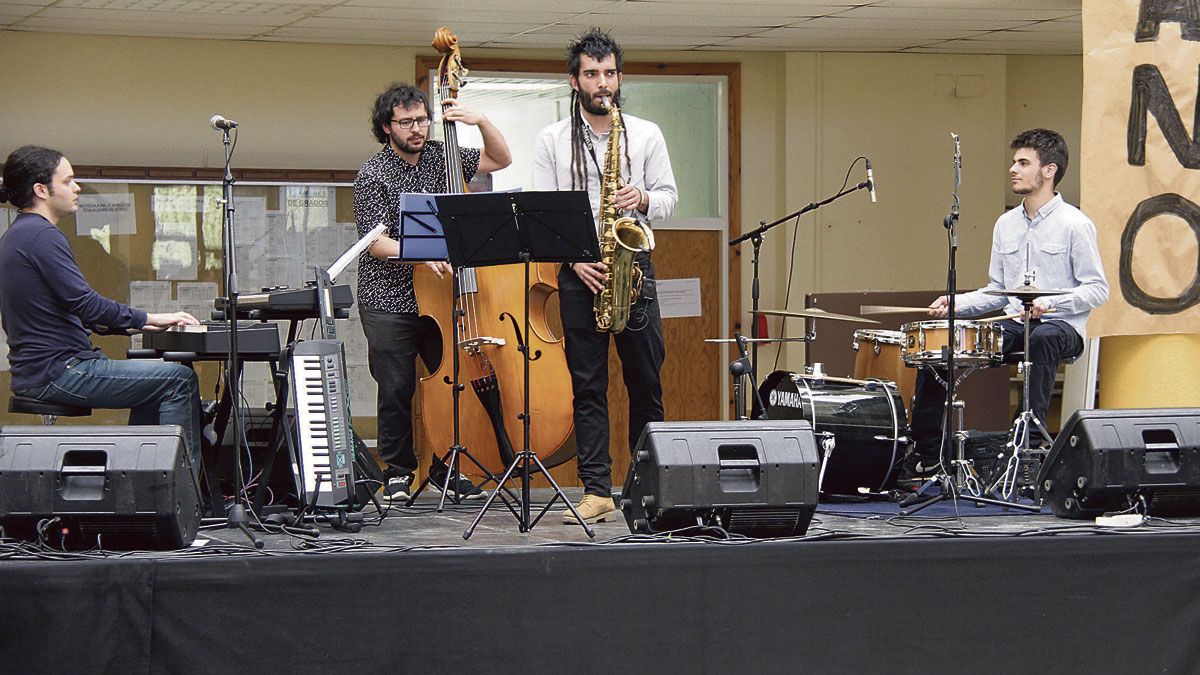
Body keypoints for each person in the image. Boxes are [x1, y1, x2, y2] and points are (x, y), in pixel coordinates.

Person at [532, 28, 679, 524]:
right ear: (574, 81)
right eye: (592, 74)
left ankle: (645, 483)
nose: (603, 83)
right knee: (588, 387)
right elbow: (542, 215)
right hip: (581, 273)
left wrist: (642, 199)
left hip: (633, 268)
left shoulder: (645, 133)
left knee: (646, 384)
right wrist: (575, 261)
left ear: (620, 77)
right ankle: (597, 489)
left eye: (610, 73)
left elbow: (670, 199)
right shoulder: (552, 139)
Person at [909, 129, 1109, 471]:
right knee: (943, 343)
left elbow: (1097, 289)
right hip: (1015, 325)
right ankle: (925, 452)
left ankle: (1026, 447)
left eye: (1023, 162)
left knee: (1042, 337)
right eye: (1014, 162)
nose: (1013, 169)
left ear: (1049, 170)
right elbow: (996, 289)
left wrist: (1052, 304)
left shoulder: (1076, 224)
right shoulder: (1005, 225)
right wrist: (954, 303)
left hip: (1061, 329)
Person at [353, 83, 512, 502]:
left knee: (447, 384)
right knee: (396, 386)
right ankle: (399, 472)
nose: (417, 129)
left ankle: (445, 467)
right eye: (406, 122)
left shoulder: (445, 155)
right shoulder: (372, 175)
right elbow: (376, 243)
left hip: (442, 296)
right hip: (390, 298)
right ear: (387, 128)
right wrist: (422, 253)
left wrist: (479, 121)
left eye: (422, 119)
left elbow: (501, 159)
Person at [0, 146, 203, 464]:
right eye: (68, 181)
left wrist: (143, 323)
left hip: (40, 372)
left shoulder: (19, 235)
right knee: (178, 381)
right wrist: (150, 316)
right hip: (59, 372)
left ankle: (144, 481)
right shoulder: (41, 237)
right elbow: (86, 304)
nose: (77, 187)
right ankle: (180, 490)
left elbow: (71, 311)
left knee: (155, 382)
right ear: (42, 190)